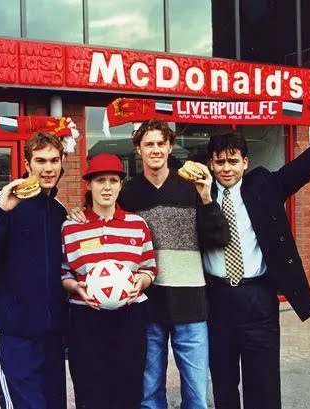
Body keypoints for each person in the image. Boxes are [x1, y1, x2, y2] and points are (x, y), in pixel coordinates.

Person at [202, 102, 310, 409]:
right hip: (217, 300)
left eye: (233, 161)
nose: (226, 168)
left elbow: (306, 166)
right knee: (223, 385)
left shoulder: (264, 185)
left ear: (245, 162)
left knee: (263, 386)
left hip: (258, 300)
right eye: (219, 162)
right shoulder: (200, 194)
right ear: (211, 164)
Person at [69, 118, 229, 408]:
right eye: (148, 144)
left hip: (190, 300)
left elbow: (217, 238)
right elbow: (104, 214)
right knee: (150, 392)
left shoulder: (192, 185)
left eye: (160, 143)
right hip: (148, 304)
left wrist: (207, 198)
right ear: (138, 149)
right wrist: (81, 211)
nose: (155, 150)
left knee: (196, 393)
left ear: (169, 147)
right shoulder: (128, 193)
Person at [0, 132, 68, 409]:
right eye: (40, 160)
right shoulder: (4, 202)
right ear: (27, 164)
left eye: (54, 160)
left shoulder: (58, 210)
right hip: (14, 332)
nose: (48, 168)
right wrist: (1, 213)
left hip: (51, 334)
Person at [61, 153, 157, 409]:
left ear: (120, 185)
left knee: (128, 387)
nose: (107, 187)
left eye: (113, 180)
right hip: (86, 318)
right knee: (90, 389)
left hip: (129, 317)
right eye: (100, 180)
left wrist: (142, 282)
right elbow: (63, 272)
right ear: (89, 185)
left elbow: (149, 266)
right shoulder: (71, 227)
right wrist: (75, 287)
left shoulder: (137, 225)